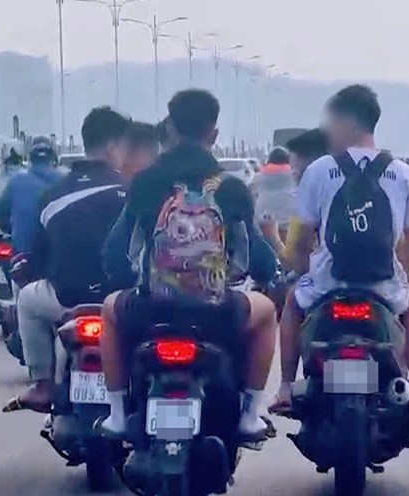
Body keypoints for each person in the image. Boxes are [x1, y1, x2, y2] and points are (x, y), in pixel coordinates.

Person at [98, 89, 279, 441]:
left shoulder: (147, 182)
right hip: (217, 312)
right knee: (267, 312)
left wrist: (133, 282)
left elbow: (113, 254)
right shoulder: (230, 187)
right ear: (213, 134)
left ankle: (118, 415)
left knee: (108, 311)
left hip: (151, 309)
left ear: (171, 129)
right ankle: (250, 415)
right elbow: (262, 263)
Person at [271, 84, 409, 420]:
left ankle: (286, 388)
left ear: (347, 123)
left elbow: (303, 238)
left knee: (291, 303)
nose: (328, 132)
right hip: (383, 287)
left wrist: (303, 270)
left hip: (327, 285)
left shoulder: (319, 171)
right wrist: (401, 274)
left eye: (331, 123)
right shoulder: (405, 175)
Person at [2, 107, 130, 412]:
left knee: (28, 301)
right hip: (119, 300)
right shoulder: (132, 190)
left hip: (66, 298)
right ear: (114, 147)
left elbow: (36, 255)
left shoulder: (54, 194)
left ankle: (43, 384)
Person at [260, 128, 329, 269]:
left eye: (296, 168)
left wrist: (272, 235)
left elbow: (294, 264)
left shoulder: (305, 211)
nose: (294, 174)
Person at [0, 136, 63, 256]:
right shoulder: (65, 180)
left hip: (23, 251)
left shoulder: (17, 181)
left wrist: (16, 229)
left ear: (30, 160)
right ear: (53, 160)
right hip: (57, 255)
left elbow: (0, 214)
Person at [251, 147, 297, 243]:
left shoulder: (258, 177)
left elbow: (250, 193)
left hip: (264, 222)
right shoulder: (295, 175)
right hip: (290, 222)